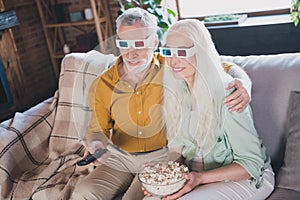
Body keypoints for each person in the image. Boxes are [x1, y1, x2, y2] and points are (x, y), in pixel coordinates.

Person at [71, 8, 252, 200]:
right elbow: (97, 129)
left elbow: (221, 64)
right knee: (83, 193)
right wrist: (96, 145)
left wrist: (245, 85)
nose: (131, 53)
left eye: (139, 44)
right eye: (124, 44)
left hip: (163, 156)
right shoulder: (103, 83)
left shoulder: (172, 65)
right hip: (120, 156)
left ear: (154, 42)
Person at [143, 19, 275, 200]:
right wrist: (164, 177)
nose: (173, 60)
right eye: (168, 52)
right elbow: (176, 150)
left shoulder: (228, 93)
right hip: (198, 175)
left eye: (182, 52)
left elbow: (251, 164)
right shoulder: (177, 91)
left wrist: (200, 178)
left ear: (201, 53)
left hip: (246, 178)